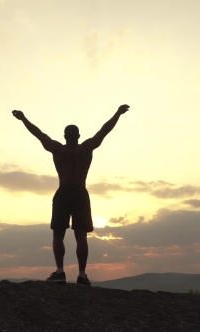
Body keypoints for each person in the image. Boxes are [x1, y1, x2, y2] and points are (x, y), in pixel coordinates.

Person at [12, 104, 130, 287]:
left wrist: (23, 118)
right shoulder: (87, 147)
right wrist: (118, 113)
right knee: (81, 236)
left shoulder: (58, 149)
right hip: (80, 192)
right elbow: (104, 130)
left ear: (65, 136)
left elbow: (39, 133)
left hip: (64, 191)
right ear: (79, 136)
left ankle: (60, 273)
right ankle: (82, 275)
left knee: (58, 234)